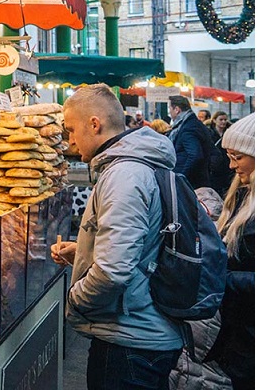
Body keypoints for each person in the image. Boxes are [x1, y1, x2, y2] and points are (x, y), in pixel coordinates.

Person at [50, 84, 183, 389]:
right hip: (142, 332)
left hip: (132, 342)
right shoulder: (132, 167)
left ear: (94, 124)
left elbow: (112, 272)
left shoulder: (124, 176)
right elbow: (136, 246)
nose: (69, 140)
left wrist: (75, 300)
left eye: (71, 129)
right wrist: (84, 252)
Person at [205, 112, 254, 389]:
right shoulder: (242, 194)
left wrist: (226, 280)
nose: (231, 165)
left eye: (237, 156)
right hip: (239, 329)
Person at [166, 95, 215, 190]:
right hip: (197, 179)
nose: (169, 112)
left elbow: (195, 155)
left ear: (177, 109)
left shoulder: (188, 127)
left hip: (191, 182)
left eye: (170, 108)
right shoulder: (193, 123)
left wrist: (182, 176)